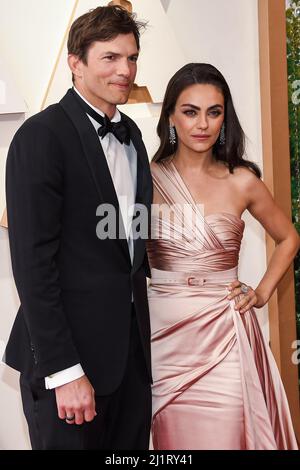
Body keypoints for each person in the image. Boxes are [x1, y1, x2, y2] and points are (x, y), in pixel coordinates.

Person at [4, 5, 153, 450]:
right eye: (110, 58)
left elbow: (129, 251)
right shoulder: (41, 135)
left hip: (129, 366)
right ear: (76, 63)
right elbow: (33, 266)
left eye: (131, 58)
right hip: (68, 369)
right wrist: (65, 371)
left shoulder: (133, 136)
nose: (124, 70)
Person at [147, 63, 299, 450]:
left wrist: (262, 293)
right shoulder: (143, 178)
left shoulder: (242, 179)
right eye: (190, 111)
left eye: (214, 112)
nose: (203, 124)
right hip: (162, 340)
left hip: (225, 335)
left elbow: (288, 238)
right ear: (171, 117)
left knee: (228, 436)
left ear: (224, 118)